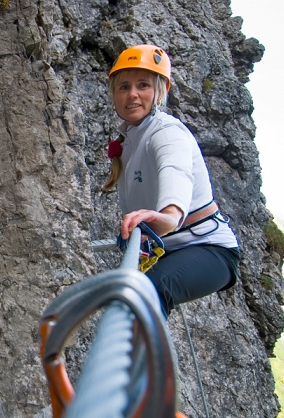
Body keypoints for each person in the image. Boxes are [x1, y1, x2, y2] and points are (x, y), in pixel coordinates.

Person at [103, 44, 240, 318]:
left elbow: (175, 171)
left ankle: (142, 362)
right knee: (125, 296)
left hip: (208, 248)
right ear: (114, 95)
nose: (132, 94)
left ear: (161, 91)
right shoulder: (131, 139)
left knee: (145, 293)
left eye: (143, 85)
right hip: (170, 249)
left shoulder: (166, 132)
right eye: (124, 86)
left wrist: (168, 216)